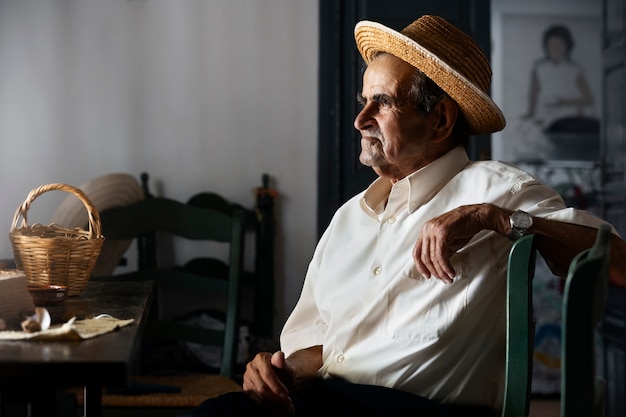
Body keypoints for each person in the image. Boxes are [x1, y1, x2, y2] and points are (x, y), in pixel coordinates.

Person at [192, 15, 626, 417]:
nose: (361, 119)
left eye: (382, 103)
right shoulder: (349, 219)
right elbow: (323, 348)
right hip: (324, 402)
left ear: (439, 120)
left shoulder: (496, 191)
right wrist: (275, 372)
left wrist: (494, 219)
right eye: (363, 101)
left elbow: (617, 261)